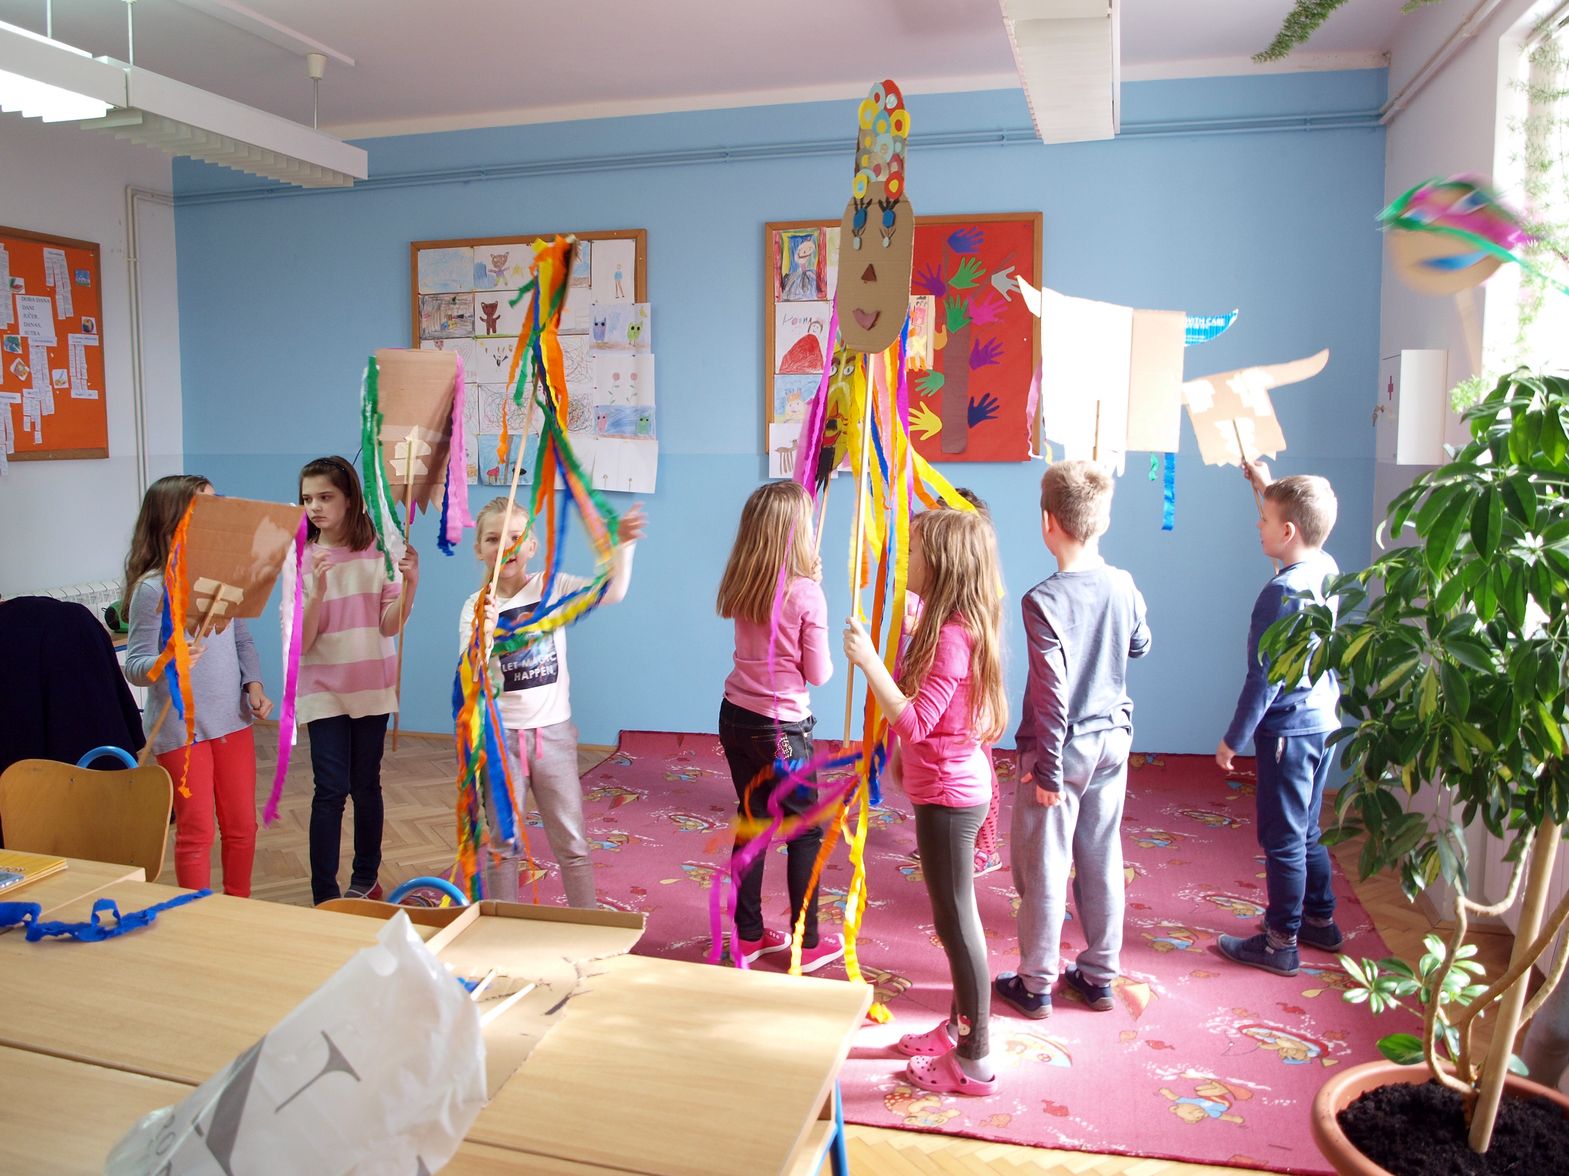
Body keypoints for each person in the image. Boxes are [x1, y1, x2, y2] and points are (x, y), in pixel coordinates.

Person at [845, 508, 1007, 1096]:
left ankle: (976, 1057)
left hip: (949, 796)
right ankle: (961, 1026)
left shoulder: (952, 637)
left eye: (913, 551)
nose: (905, 559)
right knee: (950, 917)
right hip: (946, 788)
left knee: (957, 920)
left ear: (939, 564)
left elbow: (914, 722)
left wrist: (868, 662)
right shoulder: (952, 624)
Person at [995, 461, 1151, 1019]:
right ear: (1102, 521)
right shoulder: (1123, 583)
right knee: (1102, 854)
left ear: (1048, 522)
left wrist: (1049, 771)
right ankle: (1099, 975)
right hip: (1113, 739)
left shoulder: (1043, 601)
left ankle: (1036, 983)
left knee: (1045, 864)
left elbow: (1052, 694)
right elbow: (1140, 644)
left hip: (1062, 749)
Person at [460, 496, 643, 907]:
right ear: (479, 549)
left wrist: (623, 545)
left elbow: (611, 591)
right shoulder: (475, 606)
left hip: (553, 736)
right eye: (493, 539)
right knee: (503, 844)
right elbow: (469, 677)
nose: (504, 546)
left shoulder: (552, 586)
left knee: (572, 842)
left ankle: (587, 923)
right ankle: (503, 922)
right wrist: (482, 636)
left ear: (531, 545)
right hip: (500, 741)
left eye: (514, 537)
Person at [1215, 462, 1342, 976]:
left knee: (1283, 838)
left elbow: (1263, 678)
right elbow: (1295, 523)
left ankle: (1279, 942)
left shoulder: (1279, 594)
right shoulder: (1325, 567)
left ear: (1287, 531)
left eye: (1264, 520)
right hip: (1323, 722)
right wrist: (1263, 487)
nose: (1257, 524)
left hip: (1288, 730)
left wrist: (1233, 739)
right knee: (1307, 829)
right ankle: (1320, 919)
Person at [123, 474, 272, 896]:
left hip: (232, 720)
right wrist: (169, 658)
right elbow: (134, 666)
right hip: (180, 729)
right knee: (197, 832)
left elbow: (241, 640)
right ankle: (196, 915)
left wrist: (254, 685)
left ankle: (238, 908)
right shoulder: (152, 588)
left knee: (242, 826)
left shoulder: (223, 577)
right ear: (173, 518)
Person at [716, 481, 843, 972]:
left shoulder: (744, 579)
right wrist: (815, 597)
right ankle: (806, 944)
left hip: (734, 716)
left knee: (753, 821)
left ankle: (748, 935)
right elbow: (819, 673)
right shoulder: (806, 593)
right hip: (781, 731)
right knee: (805, 832)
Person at [297, 456, 419, 906]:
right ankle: (325, 895)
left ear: (349, 499)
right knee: (329, 789)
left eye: (325, 497)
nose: (314, 507)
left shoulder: (381, 551)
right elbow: (303, 642)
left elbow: (389, 625)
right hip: (321, 689)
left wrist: (411, 584)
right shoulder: (302, 558)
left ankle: (366, 878)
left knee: (366, 784)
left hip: (371, 684)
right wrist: (317, 592)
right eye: (307, 499)